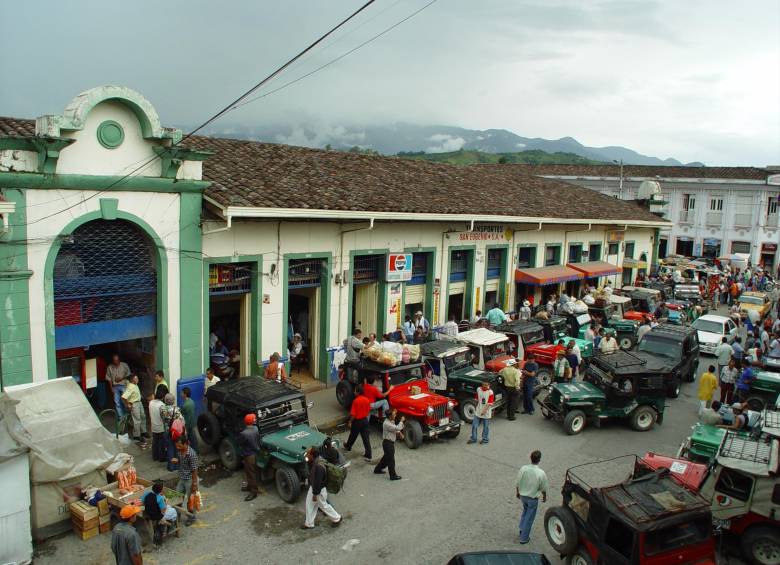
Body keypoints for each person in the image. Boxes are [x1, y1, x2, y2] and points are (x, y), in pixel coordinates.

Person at [301, 446, 342, 529]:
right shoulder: (317, 461)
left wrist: (315, 494)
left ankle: (337, 518)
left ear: (312, 455)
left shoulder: (318, 467)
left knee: (323, 505)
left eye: (308, 454)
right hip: (314, 488)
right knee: (310, 504)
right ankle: (309, 523)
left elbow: (318, 482)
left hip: (318, 490)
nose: (306, 455)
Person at [515, 450, 548, 545]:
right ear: (539, 460)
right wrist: (544, 497)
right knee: (529, 517)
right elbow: (543, 487)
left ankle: (521, 529)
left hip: (523, 496)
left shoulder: (523, 468)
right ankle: (524, 538)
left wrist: (517, 492)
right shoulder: (541, 473)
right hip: (532, 498)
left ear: (530, 458)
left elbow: (517, 482)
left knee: (525, 511)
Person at [173, 437, 198, 526]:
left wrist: (194, 484)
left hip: (190, 480)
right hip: (182, 478)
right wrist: (177, 461)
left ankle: (192, 517)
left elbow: (194, 470)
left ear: (186, 444)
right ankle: (176, 516)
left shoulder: (192, 454)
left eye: (179, 446)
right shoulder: (180, 451)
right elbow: (181, 461)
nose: (177, 448)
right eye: (176, 446)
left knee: (190, 501)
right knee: (177, 497)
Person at [374, 408, 404, 480]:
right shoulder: (387, 423)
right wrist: (401, 421)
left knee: (386, 458)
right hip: (388, 444)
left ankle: (377, 469)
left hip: (388, 443)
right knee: (391, 460)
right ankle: (392, 476)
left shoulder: (390, 421)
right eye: (394, 415)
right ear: (390, 416)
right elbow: (397, 428)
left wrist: (400, 433)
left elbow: (394, 429)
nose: (395, 416)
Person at [344, 385, 372, 461]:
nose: (354, 392)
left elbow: (353, 414)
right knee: (366, 438)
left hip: (357, 421)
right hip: (365, 420)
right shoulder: (367, 399)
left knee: (353, 435)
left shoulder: (355, 401)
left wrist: (350, 421)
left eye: (355, 391)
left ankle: (348, 446)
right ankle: (368, 455)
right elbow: (369, 410)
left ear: (358, 392)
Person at [238, 413, 262, 501]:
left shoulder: (244, 433)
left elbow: (240, 443)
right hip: (255, 453)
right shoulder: (256, 429)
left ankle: (253, 492)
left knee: (250, 473)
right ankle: (249, 486)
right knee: (250, 471)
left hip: (248, 455)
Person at [122, 374, 148, 444]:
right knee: (137, 420)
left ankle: (144, 432)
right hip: (134, 404)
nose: (138, 380)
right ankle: (137, 435)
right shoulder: (130, 387)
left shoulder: (135, 385)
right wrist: (128, 404)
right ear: (132, 380)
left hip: (139, 403)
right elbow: (124, 397)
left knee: (143, 417)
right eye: (136, 379)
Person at [160, 393, 182, 472]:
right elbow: (181, 420)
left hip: (166, 431)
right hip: (175, 432)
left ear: (165, 400)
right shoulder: (176, 409)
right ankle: (175, 466)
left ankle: (170, 467)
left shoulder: (162, 408)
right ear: (173, 401)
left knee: (169, 448)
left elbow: (162, 417)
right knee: (176, 448)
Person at [107, 353, 131, 418]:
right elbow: (109, 379)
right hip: (115, 386)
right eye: (114, 360)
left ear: (119, 360)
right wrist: (111, 388)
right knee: (117, 402)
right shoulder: (110, 367)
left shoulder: (124, 365)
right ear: (112, 361)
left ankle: (127, 415)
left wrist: (122, 378)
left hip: (124, 385)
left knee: (125, 401)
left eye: (117, 360)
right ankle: (121, 417)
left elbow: (129, 375)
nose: (116, 362)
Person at [149, 387, 167, 463]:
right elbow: (165, 417)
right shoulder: (162, 405)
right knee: (161, 443)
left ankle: (155, 456)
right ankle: (161, 458)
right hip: (160, 427)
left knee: (155, 442)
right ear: (163, 397)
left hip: (153, 426)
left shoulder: (151, 402)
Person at [180, 387, 198, 453]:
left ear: (185, 394)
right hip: (192, 422)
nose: (180, 393)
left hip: (187, 424)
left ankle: (189, 452)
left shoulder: (185, 405)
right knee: (193, 438)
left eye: (182, 393)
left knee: (187, 439)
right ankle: (195, 451)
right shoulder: (191, 401)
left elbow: (181, 414)